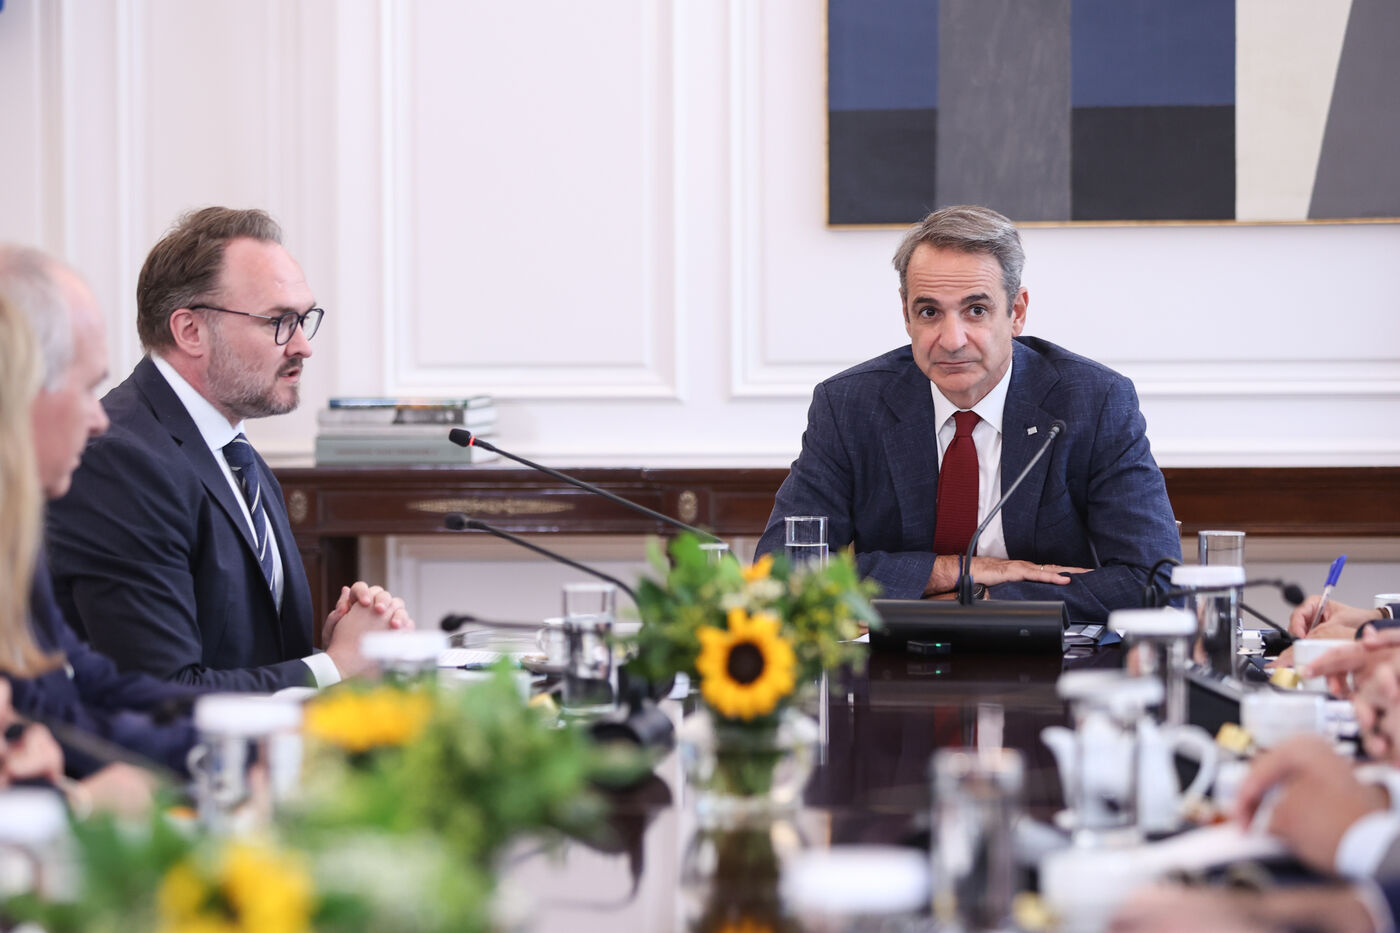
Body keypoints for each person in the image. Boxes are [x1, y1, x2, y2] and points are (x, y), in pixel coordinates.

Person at [38, 210, 409, 691]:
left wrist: (338, 648)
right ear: (190, 330)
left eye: (303, 320)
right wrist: (333, 667)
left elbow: (244, 653)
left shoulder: (234, 449)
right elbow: (161, 691)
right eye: (279, 321)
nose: (302, 345)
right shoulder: (119, 460)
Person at [755, 205, 1180, 621]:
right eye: (929, 312)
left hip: (1049, 658)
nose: (952, 340)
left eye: (976, 310)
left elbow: (1155, 582)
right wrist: (959, 571)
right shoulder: (850, 406)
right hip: (893, 660)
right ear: (906, 315)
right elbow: (781, 572)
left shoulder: (1093, 401)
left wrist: (981, 601)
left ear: (1016, 312)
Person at [0, 289, 159, 813]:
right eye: (88, 389)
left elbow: (74, 694)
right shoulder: (123, 464)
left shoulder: (17, 536)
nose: (100, 419)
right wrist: (78, 805)